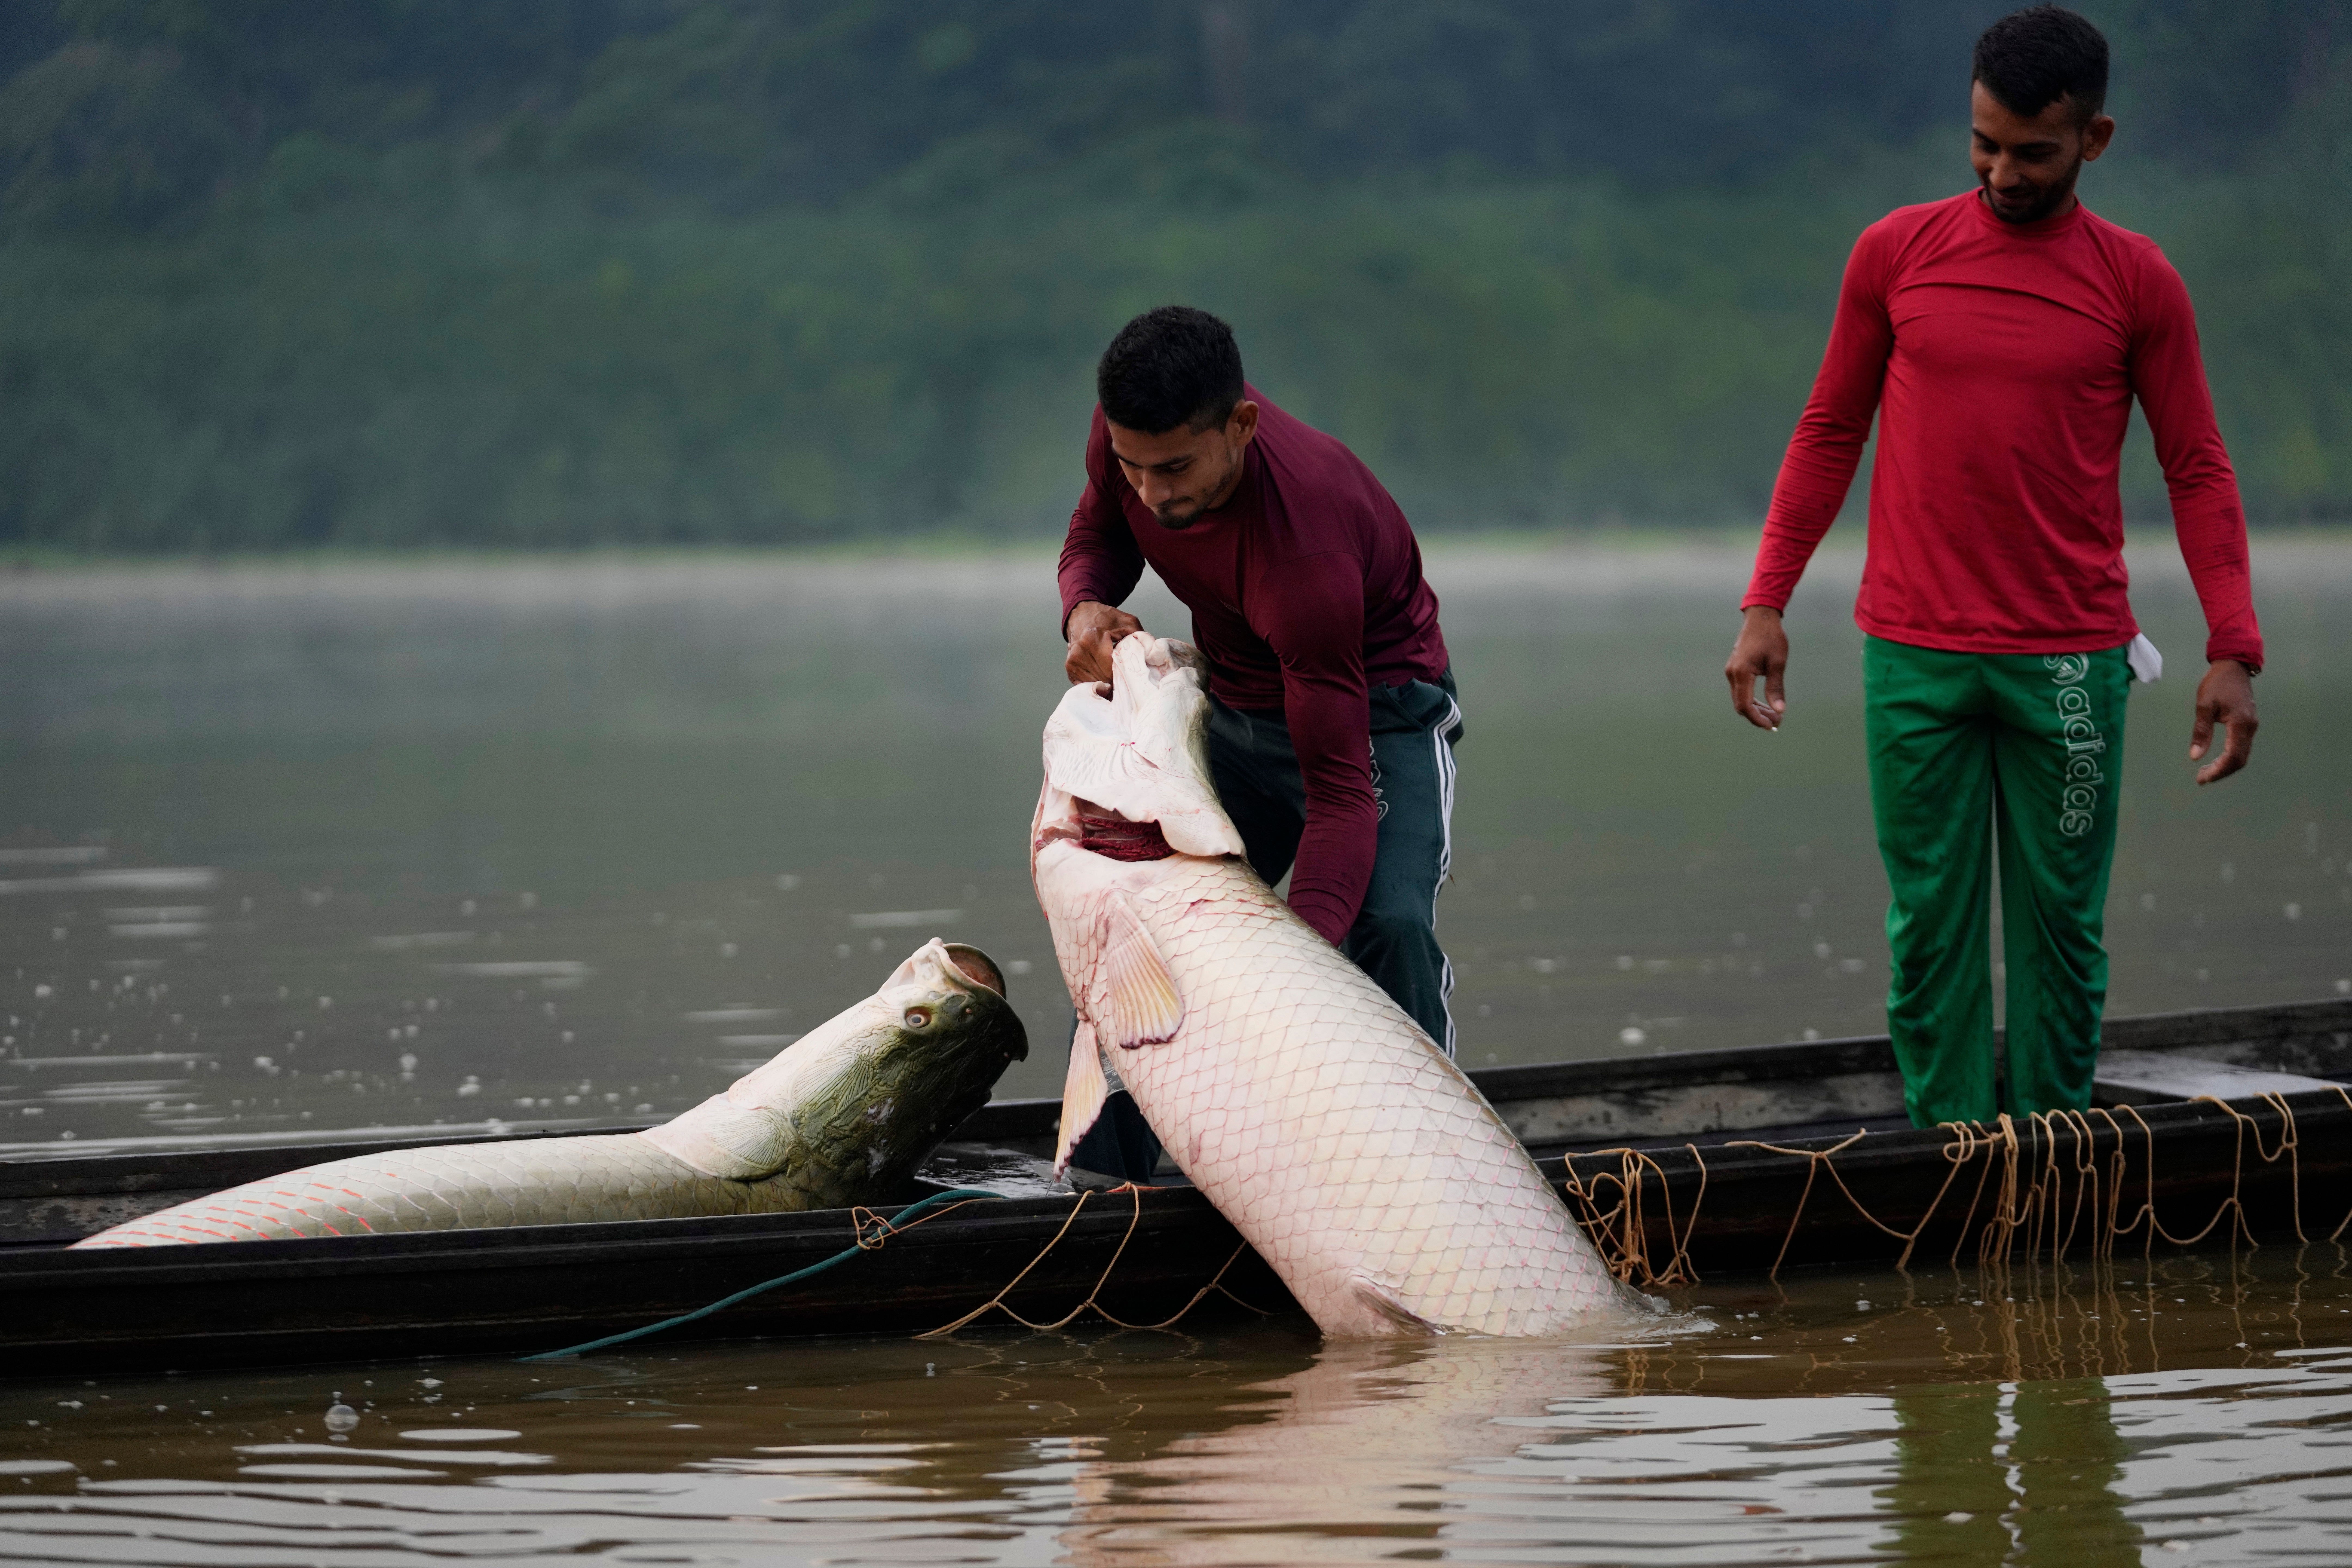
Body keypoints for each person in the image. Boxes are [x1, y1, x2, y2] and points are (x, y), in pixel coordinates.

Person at [1723, 5, 2263, 1129]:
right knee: (1930, 925)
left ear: (2094, 141)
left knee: (2063, 927)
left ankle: (2060, 1155)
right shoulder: (1896, 252)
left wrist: (2232, 649)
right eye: (1984, 144)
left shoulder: (2137, 282)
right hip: (1913, 658)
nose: (2002, 171)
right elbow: (1831, 428)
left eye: (2033, 151)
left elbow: (2198, 467)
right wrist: (1765, 602)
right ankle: (1956, 1153)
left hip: (2069, 664)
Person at [1058, 305, 1462, 1181]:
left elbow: (1341, 799)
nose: (1154, 495)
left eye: (1175, 469)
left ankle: (1427, 1159)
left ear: (1240, 426)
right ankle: (1103, 1182)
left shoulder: (1304, 553)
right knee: (1136, 927)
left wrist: (1289, 974)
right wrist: (1084, 606)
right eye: (1134, 468)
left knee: (1383, 924)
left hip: (1375, 719)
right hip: (1238, 707)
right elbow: (1098, 533)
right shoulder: (1127, 442)